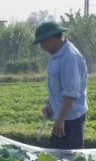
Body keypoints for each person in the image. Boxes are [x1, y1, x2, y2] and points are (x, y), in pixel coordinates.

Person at [35, 21, 89, 150]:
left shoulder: (69, 57)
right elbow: (57, 86)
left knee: (70, 160)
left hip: (71, 119)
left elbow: (71, 93)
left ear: (52, 39)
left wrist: (61, 119)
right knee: (58, 158)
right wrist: (49, 104)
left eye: (42, 42)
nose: (42, 47)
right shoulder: (57, 56)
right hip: (62, 116)